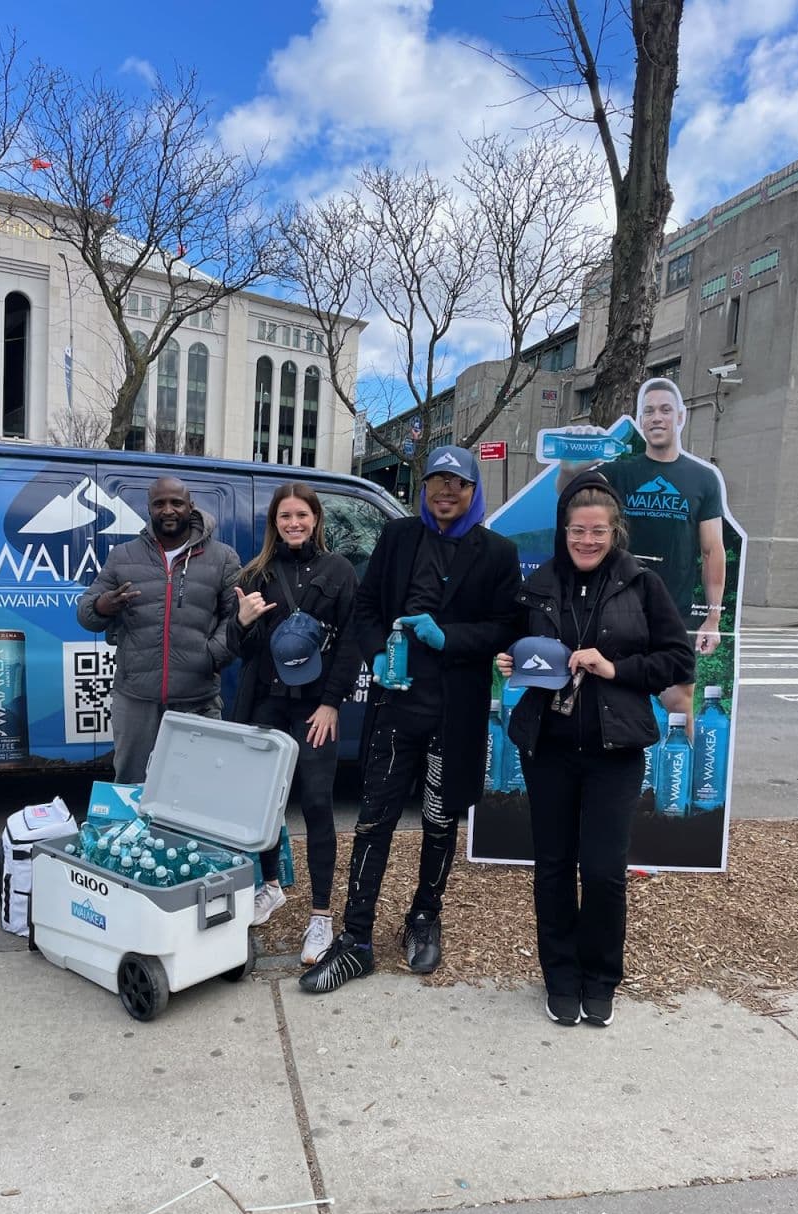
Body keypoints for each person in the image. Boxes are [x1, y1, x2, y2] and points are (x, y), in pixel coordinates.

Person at [299, 445, 522, 994]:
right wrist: (377, 652)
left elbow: (505, 625)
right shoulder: (398, 539)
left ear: (474, 491)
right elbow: (367, 608)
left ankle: (425, 915)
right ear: (424, 488)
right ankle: (356, 941)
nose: (446, 492)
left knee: (440, 820)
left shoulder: (496, 552)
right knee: (374, 820)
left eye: (458, 484)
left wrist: (450, 638)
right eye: (437, 482)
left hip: (454, 711)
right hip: (395, 710)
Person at [500, 472, 693, 1028]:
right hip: (549, 749)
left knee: (605, 872)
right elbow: (517, 648)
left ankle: (601, 977)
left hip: (615, 751)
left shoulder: (643, 585)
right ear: (563, 531)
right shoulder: (535, 586)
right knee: (554, 868)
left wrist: (616, 668)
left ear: (615, 532)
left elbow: (677, 662)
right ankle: (560, 976)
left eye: (598, 532)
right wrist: (510, 662)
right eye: (577, 531)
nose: (586, 540)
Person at [228, 482, 360, 963]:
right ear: (274, 523)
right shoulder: (257, 572)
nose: (294, 524)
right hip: (266, 704)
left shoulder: (340, 571)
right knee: (260, 806)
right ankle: (269, 885)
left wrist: (331, 704)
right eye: (285, 517)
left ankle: (321, 918)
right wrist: (241, 622)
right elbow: (240, 651)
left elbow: (352, 643)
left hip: (315, 709)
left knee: (319, 806)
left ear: (316, 518)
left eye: (301, 515)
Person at [557, 378, 726, 734]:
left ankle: (678, 785)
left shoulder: (703, 478)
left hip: (673, 612)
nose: (657, 417)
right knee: (608, 696)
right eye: (648, 411)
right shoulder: (620, 471)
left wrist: (712, 618)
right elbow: (568, 498)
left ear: (680, 417)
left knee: (680, 704)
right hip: (617, 607)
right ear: (640, 419)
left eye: (665, 409)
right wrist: (570, 463)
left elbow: (712, 550)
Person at [77, 476, 240, 783]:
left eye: (176, 503)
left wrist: (210, 656)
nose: (168, 510)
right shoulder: (123, 555)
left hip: (197, 700)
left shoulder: (223, 557)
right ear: (148, 508)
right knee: (130, 785)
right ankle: (131, 834)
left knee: (197, 787)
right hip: (136, 698)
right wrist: (102, 606)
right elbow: (85, 613)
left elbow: (237, 620)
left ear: (190, 506)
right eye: (159, 503)